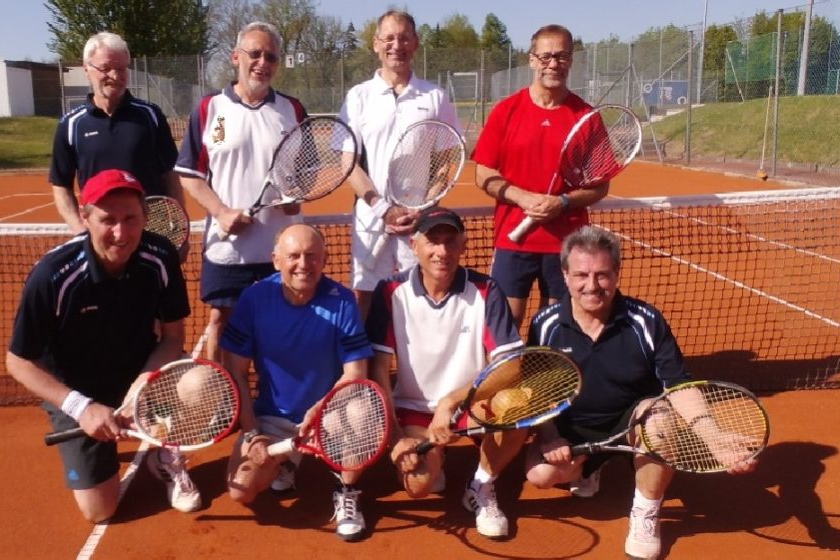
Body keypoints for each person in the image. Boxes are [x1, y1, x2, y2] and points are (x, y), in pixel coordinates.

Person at [523, 225, 758, 559]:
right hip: (575, 428)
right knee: (540, 474)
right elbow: (538, 392)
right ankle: (591, 466)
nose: (592, 286)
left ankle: (646, 511)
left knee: (660, 417)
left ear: (617, 273)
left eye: (603, 275)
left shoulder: (646, 320)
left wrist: (713, 435)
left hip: (635, 422)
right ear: (565, 275)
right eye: (582, 275)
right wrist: (549, 435)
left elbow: (677, 386)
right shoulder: (544, 324)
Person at [6, 168, 201, 522]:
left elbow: (173, 337)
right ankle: (89, 445)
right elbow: (19, 361)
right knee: (100, 511)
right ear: (85, 217)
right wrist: (82, 407)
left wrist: (142, 384)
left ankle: (166, 457)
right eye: (107, 219)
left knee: (199, 386)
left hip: (138, 369)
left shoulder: (159, 256)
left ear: (145, 216)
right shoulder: (53, 275)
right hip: (77, 386)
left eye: (131, 218)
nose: (121, 233)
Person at [365, 207, 524, 539]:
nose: (442, 252)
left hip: (471, 404)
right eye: (432, 242)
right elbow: (378, 367)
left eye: (450, 242)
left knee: (520, 407)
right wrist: (396, 437)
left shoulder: (485, 290)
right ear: (414, 245)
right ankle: (433, 458)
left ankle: (481, 483)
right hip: (415, 408)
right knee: (419, 484)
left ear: (463, 246)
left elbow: (510, 366)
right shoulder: (390, 293)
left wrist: (450, 402)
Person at [220, 224, 375, 542]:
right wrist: (252, 434)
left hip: (330, 415)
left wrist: (319, 410)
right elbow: (235, 370)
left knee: (363, 412)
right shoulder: (254, 299)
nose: (303, 264)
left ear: (325, 259)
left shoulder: (342, 301)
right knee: (242, 491)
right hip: (272, 418)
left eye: (312, 256)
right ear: (276, 260)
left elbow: (355, 373)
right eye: (293, 256)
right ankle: (285, 462)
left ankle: (346, 489)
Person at [175, 21, 305, 364]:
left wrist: (294, 199)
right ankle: (223, 403)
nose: (263, 62)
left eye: (271, 57)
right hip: (228, 249)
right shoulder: (209, 109)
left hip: (282, 249)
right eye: (255, 53)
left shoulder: (293, 111)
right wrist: (221, 212)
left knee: (277, 327)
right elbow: (191, 175)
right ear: (236, 57)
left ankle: (267, 406)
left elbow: (307, 175)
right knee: (221, 321)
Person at [471, 24, 609, 328]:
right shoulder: (506, 111)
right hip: (513, 239)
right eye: (545, 57)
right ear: (532, 60)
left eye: (561, 56)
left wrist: (561, 202)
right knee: (504, 325)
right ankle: (502, 378)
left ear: (571, 60)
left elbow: (600, 186)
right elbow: (482, 174)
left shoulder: (586, 117)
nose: (553, 64)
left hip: (567, 244)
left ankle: (553, 378)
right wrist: (524, 198)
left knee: (557, 328)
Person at [340, 9, 463, 320]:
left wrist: (422, 208)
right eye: (390, 38)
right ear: (376, 43)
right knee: (364, 298)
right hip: (371, 218)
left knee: (418, 296)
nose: (397, 45)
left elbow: (448, 160)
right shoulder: (358, 97)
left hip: (418, 220)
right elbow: (348, 163)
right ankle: (364, 368)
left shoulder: (434, 96)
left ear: (416, 43)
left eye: (405, 37)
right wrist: (382, 208)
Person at [49, 32, 186, 239]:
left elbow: (170, 175)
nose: (115, 76)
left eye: (121, 68)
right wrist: (79, 230)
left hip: (149, 231)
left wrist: (178, 228)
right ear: (87, 69)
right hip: (100, 234)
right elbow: (61, 185)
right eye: (106, 68)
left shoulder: (151, 115)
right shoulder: (70, 124)